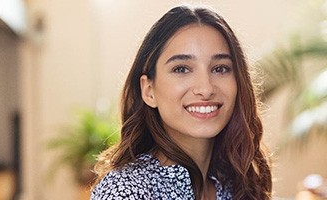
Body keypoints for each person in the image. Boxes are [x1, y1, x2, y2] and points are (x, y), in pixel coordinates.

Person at [91, 5, 272, 200]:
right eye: (181, 69)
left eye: (220, 68)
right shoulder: (126, 191)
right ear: (149, 90)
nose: (206, 88)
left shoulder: (237, 184)